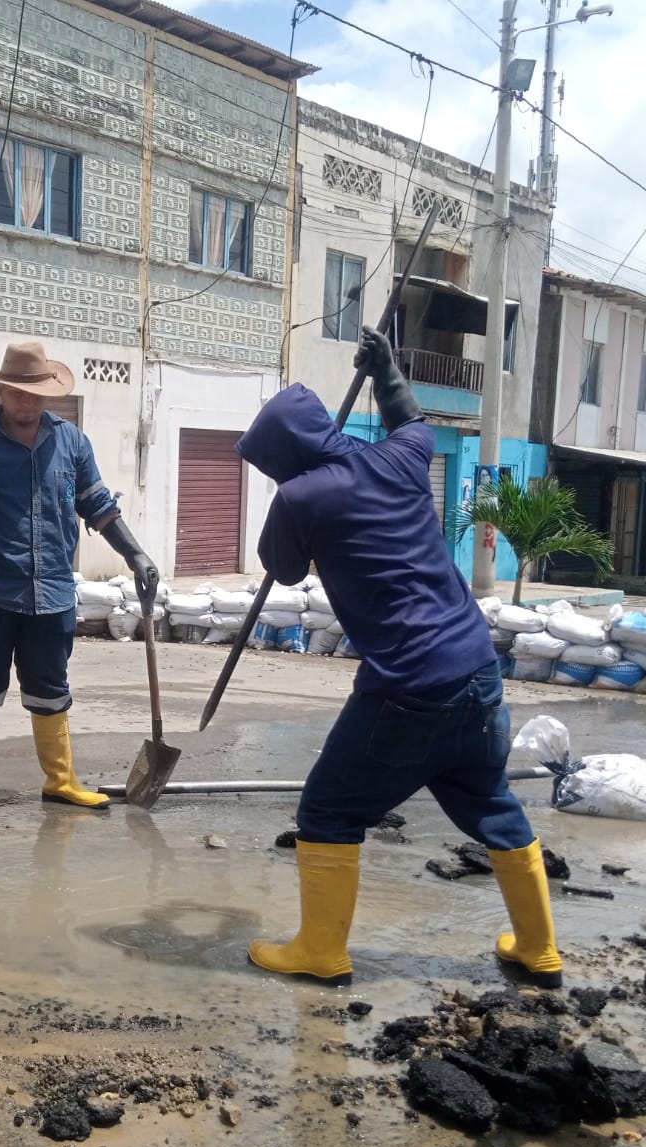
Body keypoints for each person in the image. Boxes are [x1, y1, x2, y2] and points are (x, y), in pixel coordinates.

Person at [234, 326, 562, 989]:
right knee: (492, 803)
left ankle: (321, 951)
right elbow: (409, 418)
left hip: (410, 686)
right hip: (476, 670)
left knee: (328, 811)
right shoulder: (403, 456)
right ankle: (538, 950)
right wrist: (385, 370)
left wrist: (292, 505)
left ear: (281, 458)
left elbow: (284, 569)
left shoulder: (300, 497)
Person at [0, 340, 158, 813]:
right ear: (1, 392)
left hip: (51, 590)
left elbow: (98, 506)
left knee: (50, 686)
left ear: (47, 394)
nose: (25, 403)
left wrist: (135, 554)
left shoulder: (72, 443)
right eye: (16, 393)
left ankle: (61, 780)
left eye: (33, 394)